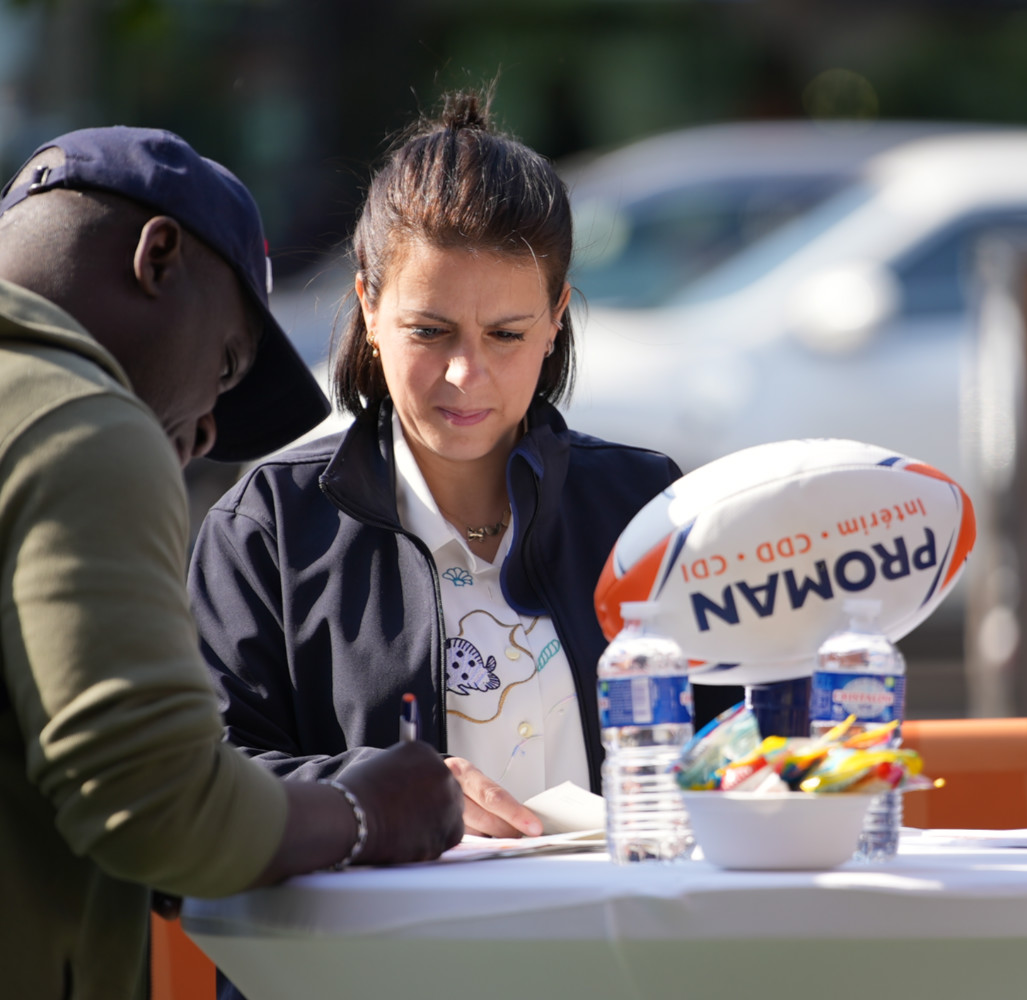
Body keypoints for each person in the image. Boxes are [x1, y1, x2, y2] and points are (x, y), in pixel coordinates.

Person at [0, 127, 463, 1000]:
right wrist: (371, 812)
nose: (208, 429)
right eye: (226, 363)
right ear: (158, 257)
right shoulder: (76, 426)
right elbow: (156, 807)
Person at [190, 91, 681, 840]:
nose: (465, 374)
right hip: (376, 956)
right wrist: (376, 795)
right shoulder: (269, 530)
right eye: (431, 330)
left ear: (557, 322)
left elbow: (742, 747)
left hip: (617, 949)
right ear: (370, 310)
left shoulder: (648, 509)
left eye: (507, 334)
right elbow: (204, 780)